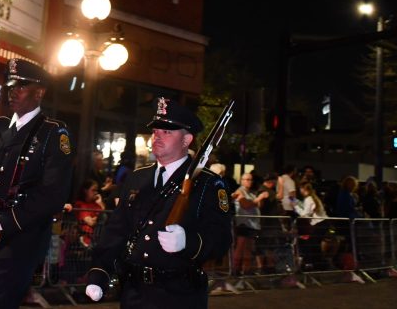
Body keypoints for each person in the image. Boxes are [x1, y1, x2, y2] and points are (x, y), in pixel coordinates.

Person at [84, 97, 231, 308]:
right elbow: (117, 230)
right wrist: (99, 273)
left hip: (180, 295)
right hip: (134, 293)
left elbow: (221, 239)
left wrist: (189, 242)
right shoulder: (137, 178)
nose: (157, 136)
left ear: (187, 140)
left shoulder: (209, 183)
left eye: (167, 132)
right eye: (155, 131)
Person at [0, 59, 75, 309]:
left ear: (39, 92)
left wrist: (6, 220)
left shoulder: (52, 133)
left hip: (22, 239)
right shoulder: (1, 127)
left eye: (21, 87)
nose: (12, 92)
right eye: (10, 86)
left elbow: (53, 195)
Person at [231, 172, 265, 275]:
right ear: (242, 181)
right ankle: (235, 270)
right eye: (247, 179)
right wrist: (259, 198)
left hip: (253, 224)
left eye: (251, 179)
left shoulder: (251, 193)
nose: (250, 182)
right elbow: (245, 205)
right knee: (240, 247)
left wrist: (258, 200)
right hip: (244, 224)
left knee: (248, 248)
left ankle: (246, 270)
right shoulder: (239, 191)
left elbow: (258, 205)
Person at [74, 179, 106, 248]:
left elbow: (103, 220)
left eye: (96, 190)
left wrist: (101, 205)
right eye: (93, 190)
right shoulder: (80, 204)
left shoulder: (97, 204)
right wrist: (99, 216)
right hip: (87, 236)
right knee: (103, 216)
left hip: (99, 236)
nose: (96, 193)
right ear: (85, 191)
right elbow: (91, 222)